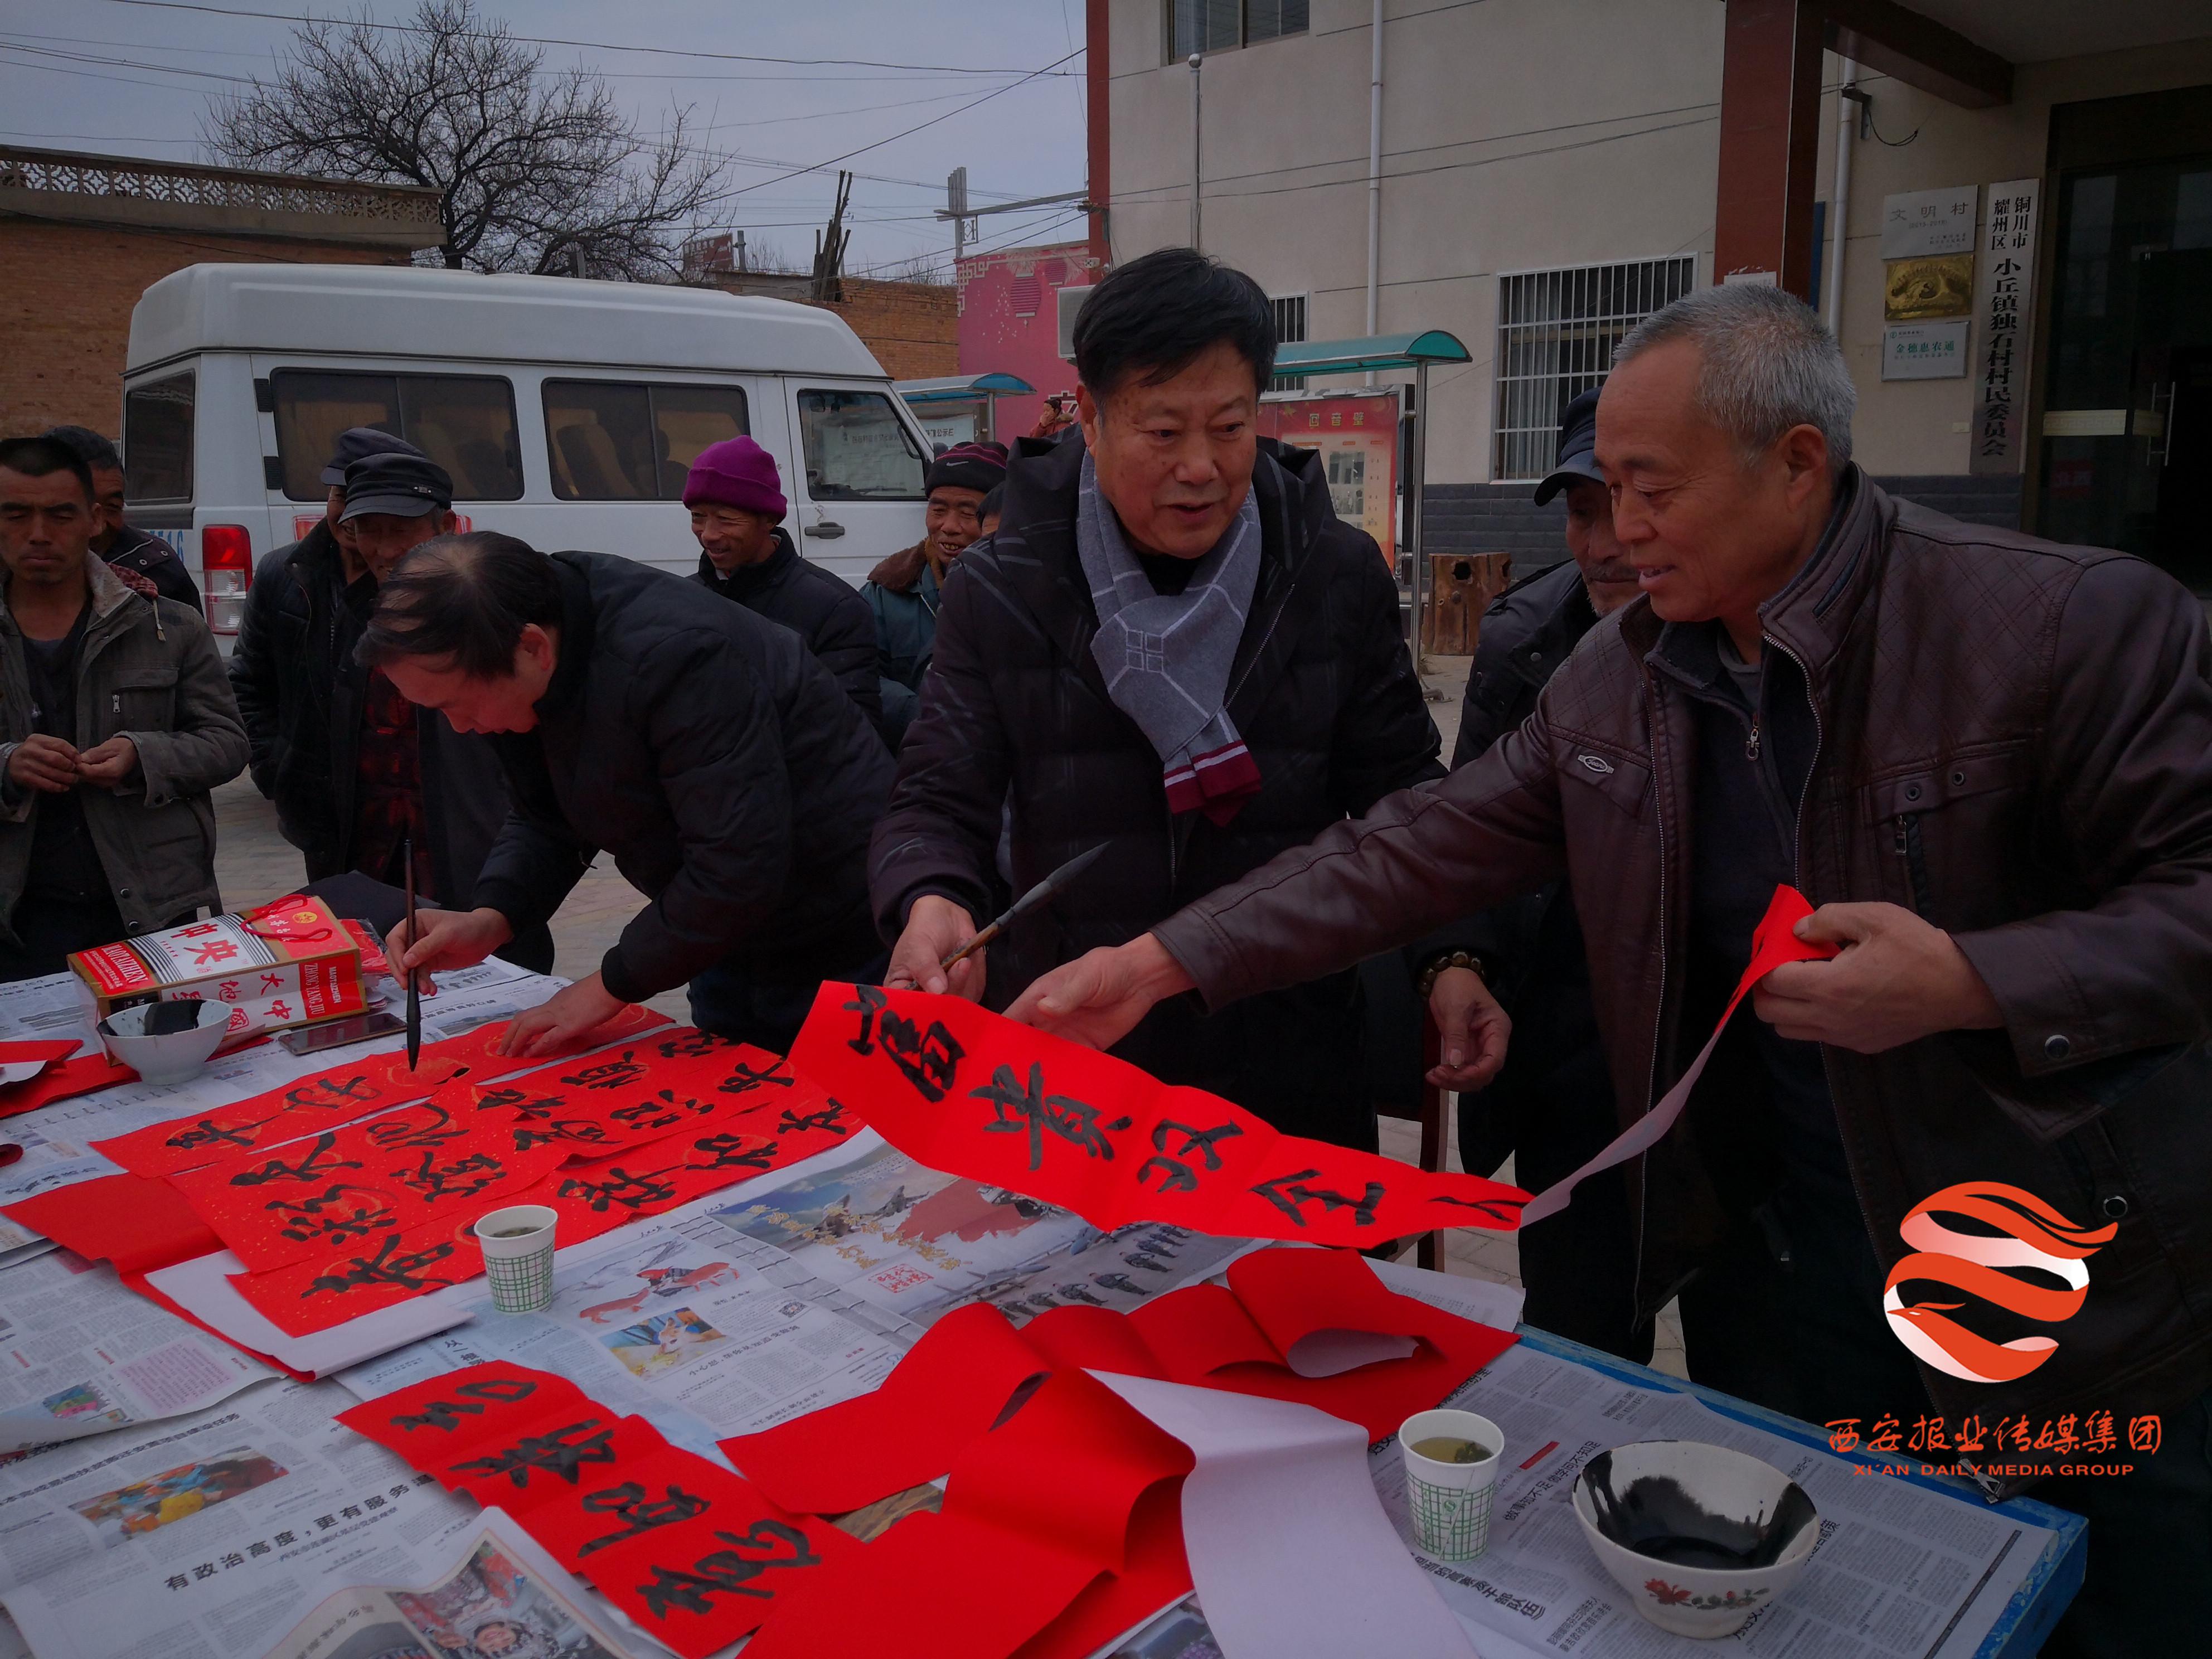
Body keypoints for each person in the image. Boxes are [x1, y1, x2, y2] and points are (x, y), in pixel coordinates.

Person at [1008, 283, 2212, 1658]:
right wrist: (1162, 961)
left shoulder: (2059, 625)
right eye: (1604, 490)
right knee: (1819, 1596)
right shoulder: (1623, 675)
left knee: (2104, 1608)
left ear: (1795, 467)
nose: (1617, 528)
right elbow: (1417, 845)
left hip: (2045, 1262)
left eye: (1649, 488)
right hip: (1778, 1257)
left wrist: (1971, 978)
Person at [874, 247, 1442, 1149]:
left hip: (1281, 1052)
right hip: (1067, 1048)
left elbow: (1404, 796)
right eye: (1164, 431)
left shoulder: (1330, 575)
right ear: (1090, 419)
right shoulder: (1004, 584)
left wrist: (1451, 956)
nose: (1202, 467)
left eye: (1228, 426)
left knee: (1282, 1291)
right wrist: (929, 895)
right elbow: (938, 790)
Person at [372, 531, 894, 1055]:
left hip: (840, 922)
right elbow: (545, 812)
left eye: (457, 704)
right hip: (723, 931)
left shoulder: (677, 655)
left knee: (848, 1115)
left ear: (533, 647)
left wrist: (609, 985)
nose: (459, 727)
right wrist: (492, 916)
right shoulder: (526, 644)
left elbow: (737, 861)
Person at [1418, 386, 1650, 1362]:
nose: (1602, 545)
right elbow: (1468, 835)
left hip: (1718, 1058)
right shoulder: (1525, 639)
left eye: (1631, 506)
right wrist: (1456, 958)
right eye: (1581, 509)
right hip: (1569, 1046)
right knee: (1578, 1325)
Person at [230, 442, 551, 970]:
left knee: (500, 978)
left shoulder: (490, 601)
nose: (382, 548)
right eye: (368, 530)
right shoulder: (339, 604)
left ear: (445, 526)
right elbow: (259, 688)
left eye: (400, 530)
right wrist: (279, 775)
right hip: (362, 850)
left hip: (471, 850)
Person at [0, 436, 246, 978]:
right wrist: (9, 765)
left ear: (93, 520)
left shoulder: (165, 626)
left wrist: (143, 755)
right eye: (15, 514)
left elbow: (227, 741)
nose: (38, 533)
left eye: (59, 514)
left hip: (151, 910)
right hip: (18, 921)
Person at [686, 436, 884, 741]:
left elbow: (855, 733)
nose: (708, 534)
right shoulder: (683, 599)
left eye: (726, 519)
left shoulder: (837, 609)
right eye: (698, 517)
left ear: (768, 519)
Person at [862, 440, 1006, 745]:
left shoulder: (1024, 591)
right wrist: (919, 714)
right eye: (938, 509)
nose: (948, 527)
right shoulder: (887, 590)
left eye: (968, 513)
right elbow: (855, 673)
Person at [40, 425, 201, 609]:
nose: (98, 527)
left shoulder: (157, 569)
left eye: (113, 508)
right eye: (72, 509)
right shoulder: (13, 572)